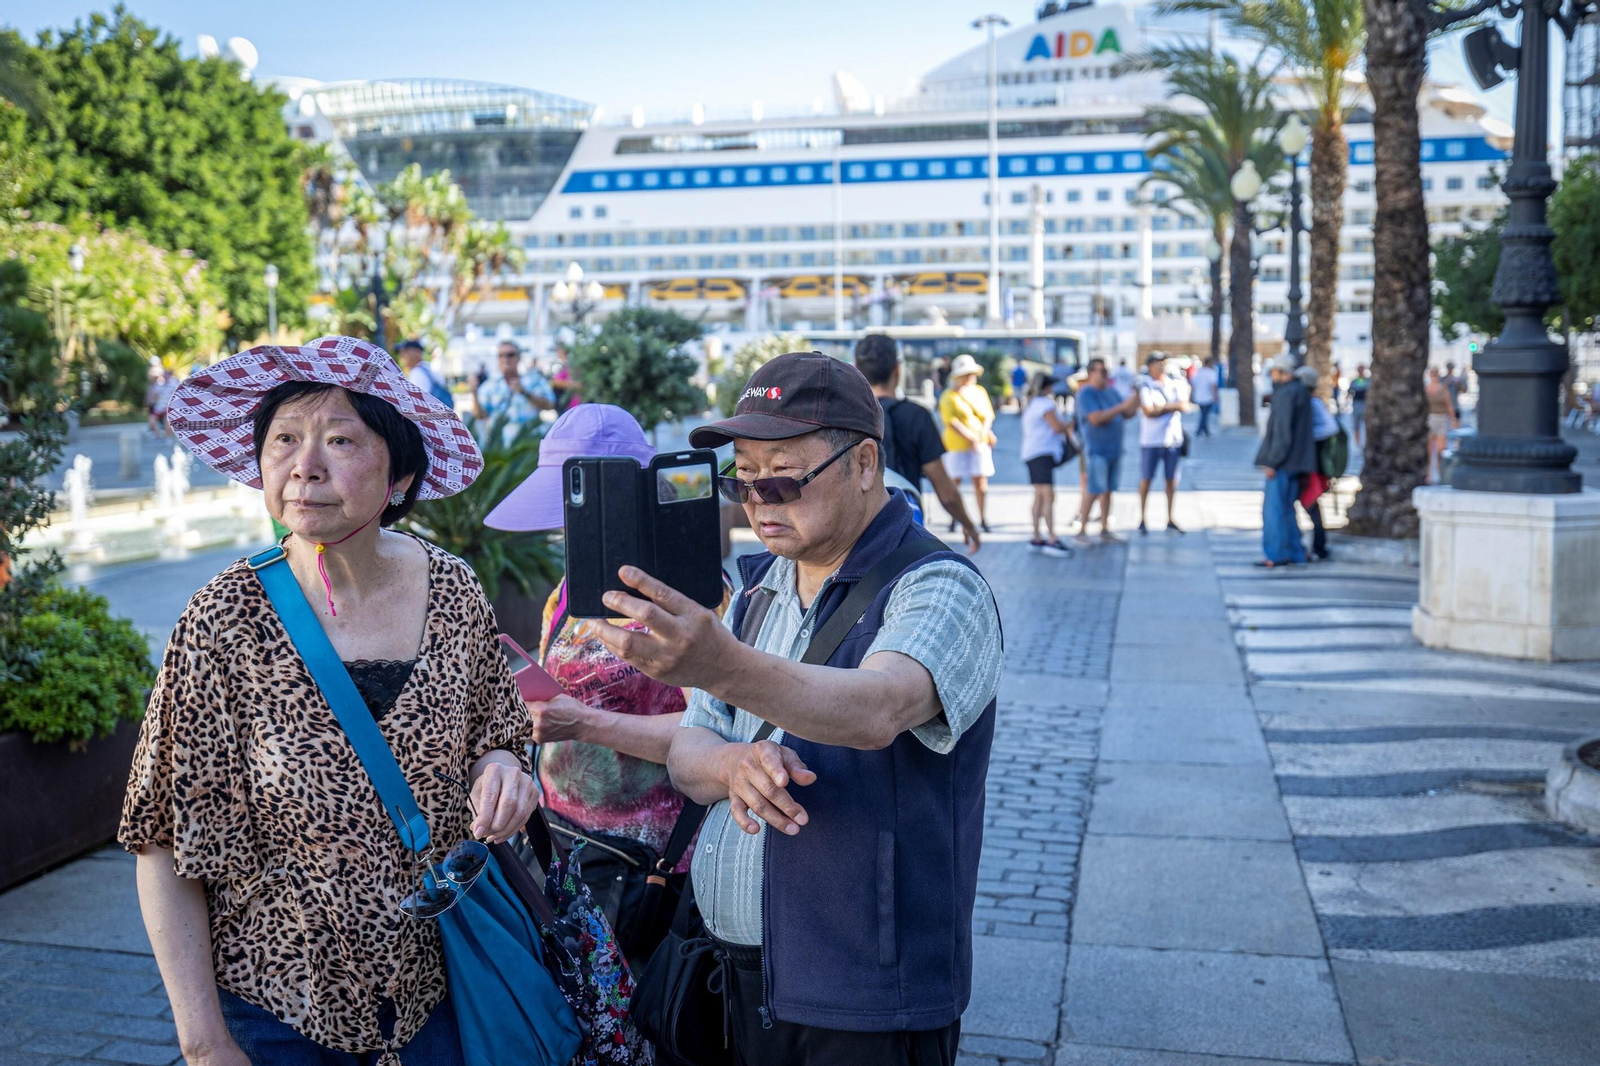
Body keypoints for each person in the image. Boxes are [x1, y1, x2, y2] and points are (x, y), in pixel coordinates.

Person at [121, 336, 541, 1064]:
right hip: (275, 1011)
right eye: (284, 440)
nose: (303, 466)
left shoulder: (454, 590)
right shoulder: (223, 620)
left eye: (339, 440)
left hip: (438, 999)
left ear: (400, 474)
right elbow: (161, 843)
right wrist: (203, 1043)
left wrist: (503, 767)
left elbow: (495, 734)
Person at [588, 350, 1001, 1066]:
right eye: (741, 479)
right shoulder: (758, 589)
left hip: (865, 997)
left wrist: (721, 665)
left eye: (784, 475)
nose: (759, 499)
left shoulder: (939, 587)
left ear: (864, 463)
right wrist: (733, 761)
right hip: (731, 978)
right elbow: (689, 755)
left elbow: (879, 706)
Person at [484, 403, 721, 963]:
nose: (566, 529)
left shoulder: (686, 597)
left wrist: (583, 723)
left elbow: (721, 731)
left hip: (652, 870)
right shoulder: (570, 585)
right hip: (565, 843)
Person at [853, 333, 980, 552]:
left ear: (856, 369)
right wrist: (969, 525)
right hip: (904, 533)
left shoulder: (848, 417)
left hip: (855, 536)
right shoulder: (917, 416)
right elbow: (946, 492)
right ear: (897, 369)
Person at [1255, 354, 1316, 568]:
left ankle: (1276, 553)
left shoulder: (1285, 394)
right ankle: (1295, 552)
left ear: (1283, 373)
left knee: (1274, 510)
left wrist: (1272, 462)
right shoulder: (1301, 392)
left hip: (1283, 463)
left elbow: (1281, 434)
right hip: (1298, 462)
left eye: (1274, 372)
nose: (1272, 376)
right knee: (1288, 509)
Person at [1073, 358, 1139, 547]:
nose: (1106, 375)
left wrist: (1136, 398)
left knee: (1108, 490)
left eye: (1106, 371)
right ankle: (1082, 530)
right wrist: (1121, 406)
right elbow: (1095, 418)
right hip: (1097, 450)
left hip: (1114, 449)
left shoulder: (1111, 391)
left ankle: (1104, 528)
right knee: (1093, 489)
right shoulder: (1086, 394)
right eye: (1102, 371)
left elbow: (1127, 414)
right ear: (1091, 373)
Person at [938, 353, 996, 534]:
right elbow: (951, 422)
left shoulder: (979, 391)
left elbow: (988, 415)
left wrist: (982, 435)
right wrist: (972, 438)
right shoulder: (948, 396)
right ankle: (956, 518)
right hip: (957, 445)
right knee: (955, 482)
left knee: (980, 482)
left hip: (979, 444)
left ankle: (983, 518)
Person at [1020, 370, 1076, 556]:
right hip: (1042, 453)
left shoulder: (1032, 404)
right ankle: (1052, 538)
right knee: (1048, 496)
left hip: (1032, 453)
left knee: (1039, 496)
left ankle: (1037, 535)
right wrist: (1070, 424)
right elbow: (1057, 427)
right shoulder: (1044, 404)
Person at [1135, 352, 1191, 536]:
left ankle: (1169, 518)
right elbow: (1148, 411)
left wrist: (1162, 407)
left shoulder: (1175, 384)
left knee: (1171, 481)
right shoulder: (1146, 386)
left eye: (1164, 362)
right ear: (1150, 365)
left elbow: (1184, 405)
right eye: (1158, 363)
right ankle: (1142, 517)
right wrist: (1171, 406)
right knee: (1146, 479)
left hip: (1172, 440)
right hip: (1151, 441)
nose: (1162, 366)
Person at [1295, 364, 1338, 561]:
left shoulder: (1313, 403)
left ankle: (1319, 547)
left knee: (1312, 506)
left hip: (1310, 466)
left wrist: (1307, 437)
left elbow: (1330, 427)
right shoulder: (1308, 402)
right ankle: (1316, 546)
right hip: (1307, 463)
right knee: (1311, 507)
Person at [474, 341, 555, 430]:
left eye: (510, 355)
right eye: (501, 355)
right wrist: (474, 393)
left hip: (529, 439)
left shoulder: (534, 380)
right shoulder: (489, 385)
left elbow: (549, 405)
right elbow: (480, 416)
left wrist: (525, 393)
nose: (506, 359)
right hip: (498, 441)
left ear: (519, 357)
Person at [397, 337, 454, 409]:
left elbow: (418, 404)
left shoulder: (416, 373)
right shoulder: (428, 367)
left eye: (406, 351)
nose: (402, 355)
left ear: (417, 353)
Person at [1425, 365, 1459, 483]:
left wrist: (1453, 419)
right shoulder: (1425, 388)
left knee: (1441, 449)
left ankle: (1441, 473)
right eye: (1432, 374)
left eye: (1436, 374)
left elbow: (1449, 404)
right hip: (1430, 418)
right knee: (1429, 448)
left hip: (1442, 419)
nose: (1434, 376)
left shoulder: (1443, 388)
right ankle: (1428, 473)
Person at [1191, 356, 1221, 437]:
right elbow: (1214, 385)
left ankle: (1206, 430)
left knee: (1204, 414)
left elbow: (1193, 384)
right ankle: (1199, 430)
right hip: (1208, 397)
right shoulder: (1211, 373)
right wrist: (1215, 396)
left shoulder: (1199, 372)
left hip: (1199, 397)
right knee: (1204, 415)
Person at [146, 368, 178, 439]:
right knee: (152, 420)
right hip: (159, 406)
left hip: (169, 407)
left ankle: (168, 437)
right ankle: (158, 435)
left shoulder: (174, 384)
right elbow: (155, 395)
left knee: (168, 422)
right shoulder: (159, 384)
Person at [1348, 363, 1369, 447]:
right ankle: (1357, 443)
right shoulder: (1354, 381)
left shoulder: (1368, 380)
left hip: (1365, 405)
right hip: (1356, 405)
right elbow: (1349, 392)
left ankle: (1366, 442)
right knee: (1356, 425)